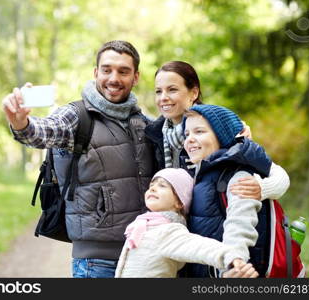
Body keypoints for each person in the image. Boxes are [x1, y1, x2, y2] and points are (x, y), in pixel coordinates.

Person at [2, 40, 156, 278]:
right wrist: (20, 122)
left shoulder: (143, 122)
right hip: (97, 261)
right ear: (96, 73)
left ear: (135, 77)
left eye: (123, 71)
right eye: (107, 70)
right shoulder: (76, 116)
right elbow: (44, 131)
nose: (114, 78)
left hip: (144, 256)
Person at [145, 61, 289, 204]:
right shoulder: (153, 134)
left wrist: (262, 188)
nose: (163, 97)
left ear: (194, 93)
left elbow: (278, 176)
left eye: (172, 89)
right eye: (158, 91)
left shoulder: (218, 126)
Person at [182, 104, 286, 277]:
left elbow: (239, 224)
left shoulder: (237, 177)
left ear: (222, 137)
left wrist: (233, 262)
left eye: (199, 132)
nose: (190, 139)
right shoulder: (201, 174)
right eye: (187, 134)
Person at [115, 168, 259, 278]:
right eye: (152, 185)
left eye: (162, 186)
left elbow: (199, 247)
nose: (152, 188)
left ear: (179, 202)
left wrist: (230, 256)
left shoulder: (169, 231)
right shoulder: (143, 225)